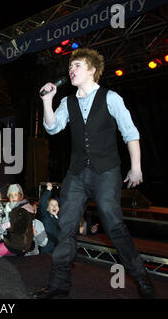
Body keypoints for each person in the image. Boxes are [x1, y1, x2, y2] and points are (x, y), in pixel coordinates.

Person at [33, 48, 153, 299]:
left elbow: (130, 133)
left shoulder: (111, 98)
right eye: (70, 67)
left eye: (76, 65)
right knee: (65, 226)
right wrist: (47, 101)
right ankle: (58, 286)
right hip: (77, 173)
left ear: (91, 70)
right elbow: (53, 128)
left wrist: (136, 167)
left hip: (106, 171)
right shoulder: (68, 102)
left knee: (113, 223)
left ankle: (141, 278)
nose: (71, 70)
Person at [0, 184, 35, 260]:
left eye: (16, 195)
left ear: (20, 196)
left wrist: (8, 225)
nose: (13, 197)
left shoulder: (23, 210)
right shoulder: (9, 208)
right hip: (13, 242)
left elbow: (19, 227)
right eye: (11, 195)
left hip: (19, 244)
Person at [36, 182, 59, 255]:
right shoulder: (47, 217)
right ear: (47, 209)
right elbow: (42, 204)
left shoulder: (60, 219)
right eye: (52, 205)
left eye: (56, 205)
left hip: (57, 249)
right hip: (47, 249)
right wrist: (48, 190)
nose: (54, 207)